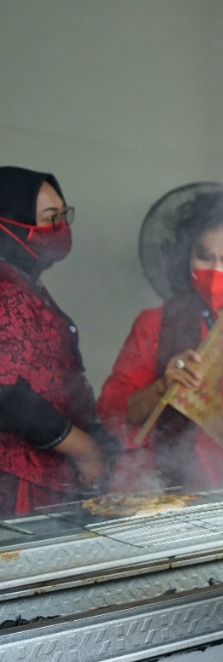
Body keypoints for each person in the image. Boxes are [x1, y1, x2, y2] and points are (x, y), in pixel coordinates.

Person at [97, 188, 223, 490]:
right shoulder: (154, 323)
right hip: (175, 489)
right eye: (204, 257)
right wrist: (163, 387)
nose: (215, 271)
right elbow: (113, 411)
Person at [0, 167, 111, 515]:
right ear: (10, 224)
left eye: (64, 215)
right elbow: (5, 392)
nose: (61, 227)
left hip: (44, 476)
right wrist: (84, 448)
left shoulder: (26, 283)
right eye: (50, 218)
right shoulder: (5, 290)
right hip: (16, 480)